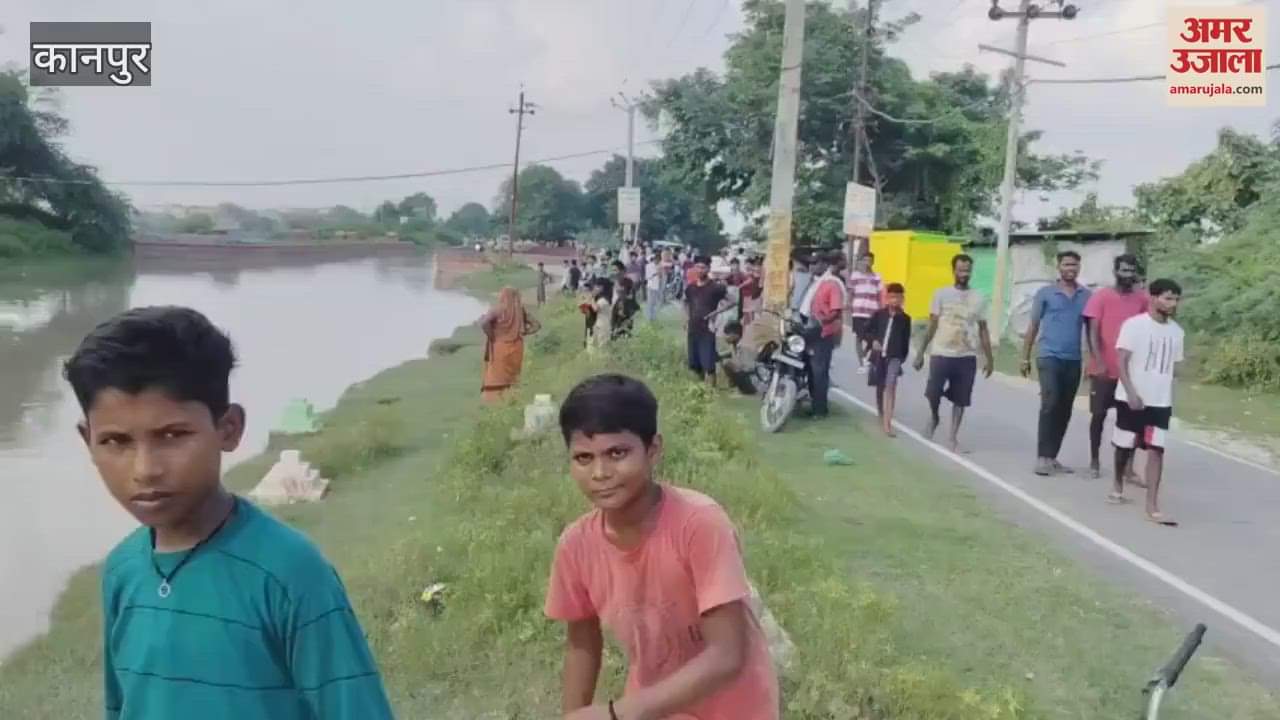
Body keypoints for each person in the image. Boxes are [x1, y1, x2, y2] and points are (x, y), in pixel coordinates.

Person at [63, 306, 394, 720]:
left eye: (173, 435)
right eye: (115, 441)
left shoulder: (290, 574)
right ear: (88, 441)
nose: (145, 469)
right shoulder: (121, 571)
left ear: (228, 429)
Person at [545, 374, 779, 720]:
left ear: (653, 449)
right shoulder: (575, 545)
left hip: (734, 710)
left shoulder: (698, 524)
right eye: (583, 458)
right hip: (654, 708)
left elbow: (727, 654)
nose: (600, 472)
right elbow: (582, 642)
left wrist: (619, 713)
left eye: (617, 453)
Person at [1110, 279, 1185, 526]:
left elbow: (1174, 368)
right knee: (1124, 445)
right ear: (1153, 298)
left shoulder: (1177, 332)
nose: (1172, 304)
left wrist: (1170, 394)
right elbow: (1121, 362)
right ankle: (1117, 484)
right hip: (1131, 397)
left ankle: (1152, 506)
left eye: (1176, 299)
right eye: (1168, 298)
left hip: (1160, 402)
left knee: (1156, 449)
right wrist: (1131, 392)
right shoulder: (1134, 325)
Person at [1021, 250, 1092, 476]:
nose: (1070, 269)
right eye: (1066, 264)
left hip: (1073, 359)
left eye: (1074, 265)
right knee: (1050, 403)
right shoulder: (1046, 293)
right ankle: (1042, 457)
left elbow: (1091, 331)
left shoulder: (1086, 295)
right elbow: (1033, 325)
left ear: (1079, 268)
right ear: (1059, 267)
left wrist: (1092, 360)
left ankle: (1052, 457)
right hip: (1048, 356)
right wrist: (1024, 356)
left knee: (1065, 408)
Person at [914, 254, 994, 452]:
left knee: (961, 398)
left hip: (966, 356)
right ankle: (934, 417)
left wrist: (989, 358)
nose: (964, 274)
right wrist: (921, 352)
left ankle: (952, 436)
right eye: (960, 270)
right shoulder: (941, 294)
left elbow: (983, 329)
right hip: (941, 353)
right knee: (933, 392)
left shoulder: (979, 298)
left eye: (967, 270)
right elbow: (932, 324)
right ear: (953, 271)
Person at [1083, 254, 1148, 480]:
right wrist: (1098, 360)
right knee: (1098, 415)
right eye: (1123, 270)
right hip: (1104, 370)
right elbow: (1092, 331)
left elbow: (1146, 330)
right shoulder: (1101, 297)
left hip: (1130, 373)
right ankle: (1094, 460)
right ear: (1115, 272)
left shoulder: (1142, 300)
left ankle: (1128, 466)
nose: (1127, 275)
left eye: (1131, 271)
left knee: (1130, 420)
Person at [798, 253, 847, 418]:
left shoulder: (832, 284)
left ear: (825, 264)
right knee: (808, 368)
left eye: (815, 263)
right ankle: (812, 403)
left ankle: (820, 409)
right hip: (809, 330)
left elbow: (836, 310)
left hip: (823, 332)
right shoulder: (815, 282)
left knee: (819, 371)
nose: (812, 266)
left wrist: (822, 320)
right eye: (810, 263)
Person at [481, 287, 542, 402]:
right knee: (513, 376)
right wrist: (524, 332)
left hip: (500, 346)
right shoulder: (520, 311)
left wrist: (492, 336)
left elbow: (484, 323)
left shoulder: (497, 310)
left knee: (497, 376)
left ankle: (494, 400)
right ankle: (512, 398)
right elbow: (537, 325)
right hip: (517, 346)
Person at [866, 283, 910, 437]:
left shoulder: (905, 319)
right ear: (886, 298)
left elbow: (905, 341)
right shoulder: (879, 314)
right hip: (879, 356)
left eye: (898, 297)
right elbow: (867, 330)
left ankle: (887, 423)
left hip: (895, 357)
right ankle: (881, 411)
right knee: (880, 385)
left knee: (890, 386)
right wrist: (873, 341)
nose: (895, 300)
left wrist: (902, 358)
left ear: (902, 299)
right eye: (892, 297)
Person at [684, 256, 728, 386]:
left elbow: (732, 301)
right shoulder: (690, 288)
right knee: (694, 364)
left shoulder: (715, 287)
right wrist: (686, 319)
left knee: (708, 364)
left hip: (707, 329)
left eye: (703, 267)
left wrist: (715, 313)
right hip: (693, 328)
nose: (700, 270)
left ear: (708, 269)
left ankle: (711, 391)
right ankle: (699, 389)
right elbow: (685, 302)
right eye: (697, 267)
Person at [846, 252, 883, 375]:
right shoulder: (855, 275)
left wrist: (881, 310)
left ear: (873, 262)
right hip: (858, 311)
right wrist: (849, 304)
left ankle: (865, 357)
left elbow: (880, 295)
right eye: (865, 260)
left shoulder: (877, 277)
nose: (867, 263)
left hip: (872, 312)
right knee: (859, 337)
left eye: (869, 260)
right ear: (861, 261)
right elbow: (851, 292)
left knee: (872, 338)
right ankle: (862, 363)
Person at [719, 320, 758, 395]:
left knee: (727, 363)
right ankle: (735, 387)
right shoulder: (735, 344)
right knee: (724, 360)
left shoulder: (744, 347)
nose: (725, 337)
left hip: (752, 380)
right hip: (745, 375)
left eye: (727, 334)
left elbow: (748, 368)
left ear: (735, 335)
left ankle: (740, 389)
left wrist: (734, 365)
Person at [644, 253, 664, 321]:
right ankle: (649, 317)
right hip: (650, 286)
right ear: (654, 259)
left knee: (654, 302)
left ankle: (653, 316)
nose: (658, 262)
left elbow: (661, 277)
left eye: (659, 260)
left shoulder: (660, 266)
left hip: (656, 286)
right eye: (657, 260)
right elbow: (647, 277)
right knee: (650, 302)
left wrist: (660, 274)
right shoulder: (648, 266)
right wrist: (655, 273)